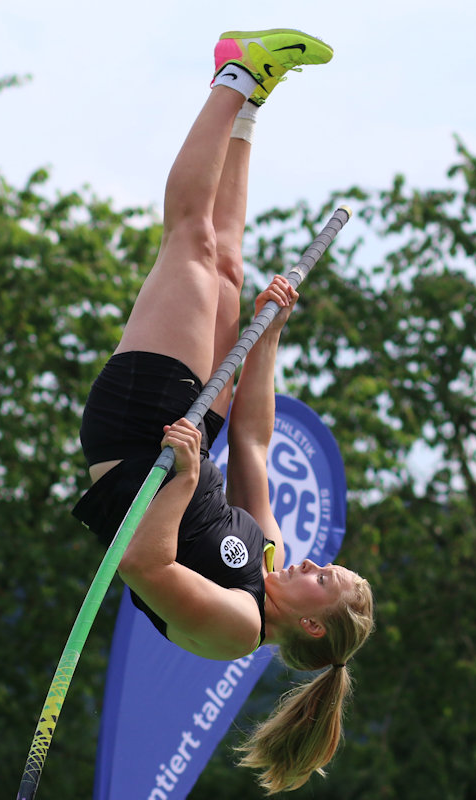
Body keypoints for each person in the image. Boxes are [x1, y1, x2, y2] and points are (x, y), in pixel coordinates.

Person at [70, 28, 375, 794]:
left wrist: (178, 477)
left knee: (194, 243)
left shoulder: (236, 628)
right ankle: (249, 103)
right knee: (232, 265)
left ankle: (235, 73)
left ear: (310, 623)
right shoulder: (267, 560)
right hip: (188, 434)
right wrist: (267, 336)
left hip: (142, 438)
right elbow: (256, 443)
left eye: (321, 577)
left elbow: (143, 565)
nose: (309, 561)